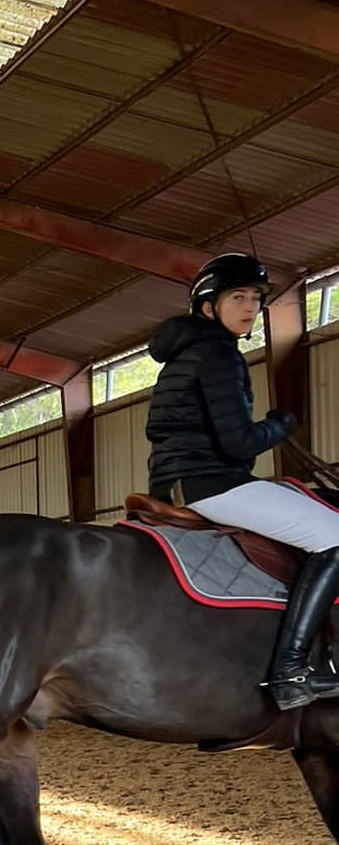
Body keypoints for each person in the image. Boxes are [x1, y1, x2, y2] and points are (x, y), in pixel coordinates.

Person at [146, 251, 339, 709]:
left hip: (177, 479)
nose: (250, 307)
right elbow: (239, 443)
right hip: (212, 482)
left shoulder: (187, 351)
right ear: (209, 306)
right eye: (238, 297)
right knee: (335, 537)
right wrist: (280, 424)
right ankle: (291, 670)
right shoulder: (217, 354)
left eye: (255, 298)